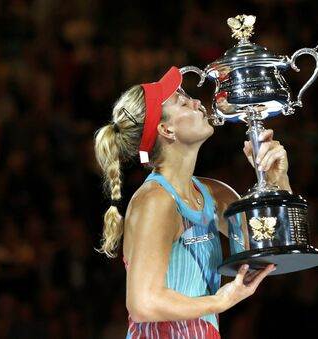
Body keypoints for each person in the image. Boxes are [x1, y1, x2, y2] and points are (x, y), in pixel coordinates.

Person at [93, 66, 291, 338]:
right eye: (183, 101)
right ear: (166, 129)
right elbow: (142, 303)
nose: (198, 102)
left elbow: (273, 249)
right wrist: (221, 301)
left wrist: (276, 180)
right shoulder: (154, 201)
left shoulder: (214, 193)